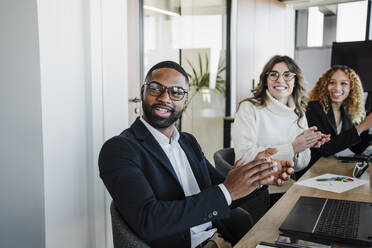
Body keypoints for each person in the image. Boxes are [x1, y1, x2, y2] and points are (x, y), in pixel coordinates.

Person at [99, 61, 294, 248]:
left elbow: (224, 191)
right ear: (143, 91)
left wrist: (258, 176)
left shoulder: (187, 142)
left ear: (185, 100)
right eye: (155, 88)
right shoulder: (119, 149)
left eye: (176, 92)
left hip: (220, 238)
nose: (165, 98)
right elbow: (150, 221)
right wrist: (228, 190)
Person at [231, 55, 329, 211]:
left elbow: (300, 165)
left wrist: (305, 146)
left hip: (288, 187)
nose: (280, 79)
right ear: (266, 79)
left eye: (287, 75)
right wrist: (292, 148)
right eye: (274, 74)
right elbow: (244, 157)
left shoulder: (299, 113)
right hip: (258, 191)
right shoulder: (249, 108)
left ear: (295, 81)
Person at [304, 65, 372, 171]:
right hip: (311, 169)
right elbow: (325, 149)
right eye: (332, 82)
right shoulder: (313, 108)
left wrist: (369, 128)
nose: (337, 88)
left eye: (343, 83)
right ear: (325, 85)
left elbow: (355, 147)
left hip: (331, 167)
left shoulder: (347, 112)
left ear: (351, 88)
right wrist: (362, 126)